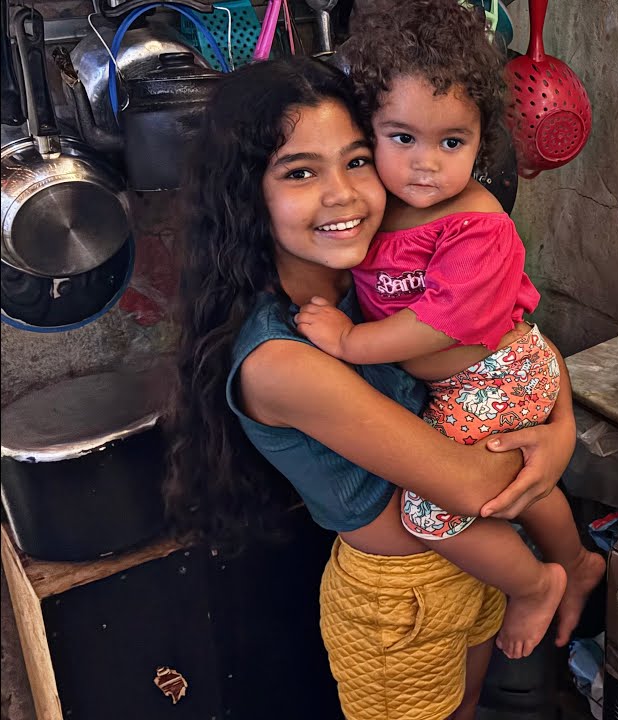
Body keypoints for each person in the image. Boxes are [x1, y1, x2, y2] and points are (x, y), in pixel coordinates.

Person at [164, 58, 578, 720]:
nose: (343, 195)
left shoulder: (365, 285)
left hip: (477, 557)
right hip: (400, 599)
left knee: (467, 707)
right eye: (300, 172)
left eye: (357, 161)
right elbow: (469, 485)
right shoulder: (281, 359)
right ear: (249, 194)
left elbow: (511, 338)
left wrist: (561, 430)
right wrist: (552, 450)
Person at [293, 0, 602, 661]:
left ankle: (533, 583)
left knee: (429, 512)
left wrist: (350, 342)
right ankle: (575, 559)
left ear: (482, 138)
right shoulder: (380, 211)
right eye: (402, 138)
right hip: (477, 378)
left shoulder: (476, 224)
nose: (426, 164)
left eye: (451, 143)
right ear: (369, 131)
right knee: (520, 474)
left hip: (500, 371)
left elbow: (440, 323)